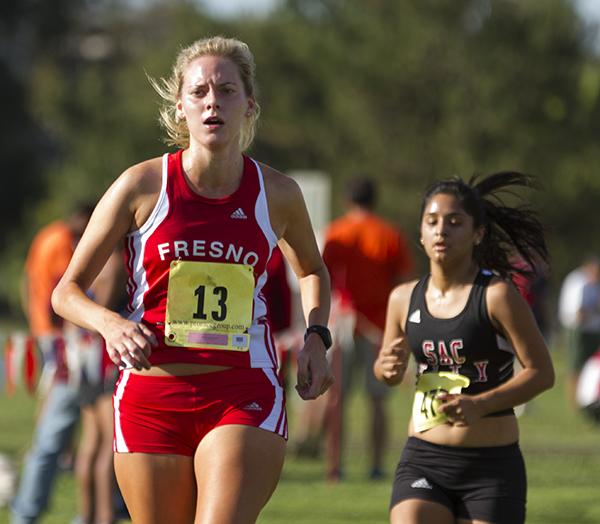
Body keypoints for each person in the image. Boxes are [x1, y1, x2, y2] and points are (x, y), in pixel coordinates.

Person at [51, 36, 334, 524]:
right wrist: (111, 325)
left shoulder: (279, 194)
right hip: (151, 395)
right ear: (179, 107)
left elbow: (310, 269)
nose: (212, 102)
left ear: (248, 105)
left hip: (242, 391)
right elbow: (66, 292)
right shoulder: (141, 186)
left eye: (226, 91)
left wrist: (316, 336)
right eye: (199, 91)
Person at [374, 172, 554, 524]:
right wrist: (386, 368)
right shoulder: (402, 298)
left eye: (455, 222)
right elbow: (386, 371)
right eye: (432, 221)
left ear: (478, 234)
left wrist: (479, 404)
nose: (442, 230)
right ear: (421, 234)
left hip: (491, 465)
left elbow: (542, 373)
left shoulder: (496, 296)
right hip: (423, 459)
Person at [321, 177, 413, 480]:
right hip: (380, 326)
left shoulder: (337, 232)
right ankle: (376, 465)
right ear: (375, 200)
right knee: (378, 400)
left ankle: (335, 466)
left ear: (348, 200)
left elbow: (322, 278)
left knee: (337, 399)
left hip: (344, 323)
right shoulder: (389, 234)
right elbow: (403, 283)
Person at [11, 205, 93, 524]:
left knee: (88, 435)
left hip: (74, 340)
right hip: (62, 340)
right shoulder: (55, 242)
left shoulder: (72, 240)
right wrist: (49, 335)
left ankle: (92, 511)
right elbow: (46, 290)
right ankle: (26, 511)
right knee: (53, 425)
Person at [558, 256, 600, 406]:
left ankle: (588, 399)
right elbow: (578, 314)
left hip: (593, 330)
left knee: (592, 367)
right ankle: (574, 402)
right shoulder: (579, 282)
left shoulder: (594, 282)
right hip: (579, 331)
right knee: (576, 366)